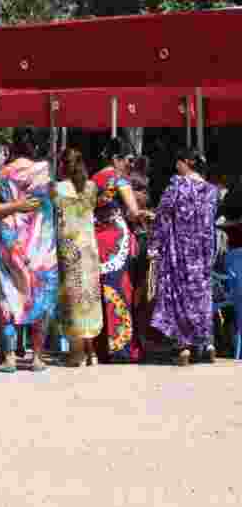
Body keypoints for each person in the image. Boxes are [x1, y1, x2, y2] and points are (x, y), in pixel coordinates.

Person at [0, 128, 57, 373]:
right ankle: (37, 357)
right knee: (41, 294)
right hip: (41, 242)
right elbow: (51, 203)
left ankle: (8, 358)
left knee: (9, 294)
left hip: (10, 239)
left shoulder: (0, 174)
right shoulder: (44, 171)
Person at [149, 148, 220, 366]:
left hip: (179, 250)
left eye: (178, 162)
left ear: (186, 163)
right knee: (201, 295)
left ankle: (184, 347)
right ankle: (207, 344)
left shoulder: (178, 184)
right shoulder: (211, 190)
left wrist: (155, 245)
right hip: (203, 250)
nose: (176, 166)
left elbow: (163, 214)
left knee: (180, 295)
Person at [92, 138, 149, 363]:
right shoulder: (119, 180)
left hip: (96, 240)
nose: (129, 165)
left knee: (100, 291)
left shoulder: (93, 180)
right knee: (119, 290)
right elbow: (134, 212)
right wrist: (146, 215)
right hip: (117, 241)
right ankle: (120, 349)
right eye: (128, 160)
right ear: (116, 159)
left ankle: (99, 348)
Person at [52, 148, 102, 367]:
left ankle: (77, 353)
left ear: (62, 165)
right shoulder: (91, 187)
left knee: (72, 298)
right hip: (90, 248)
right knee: (89, 298)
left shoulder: (57, 188)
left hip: (69, 247)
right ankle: (92, 353)